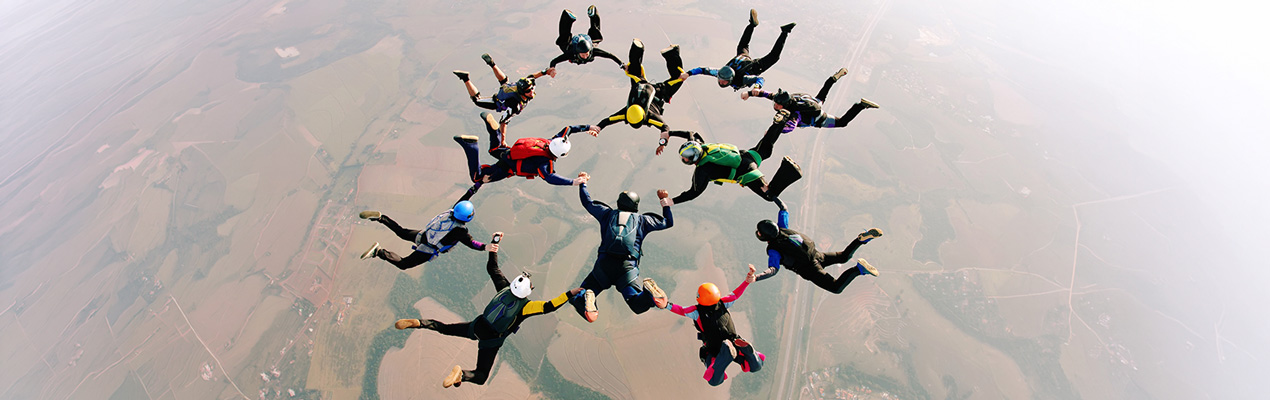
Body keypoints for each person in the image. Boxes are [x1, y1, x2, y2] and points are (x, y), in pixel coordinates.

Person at [395, 234, 588, 388]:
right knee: (480, 377)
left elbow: (492, 267)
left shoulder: (503, 287)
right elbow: (549, 307)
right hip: (491, 340)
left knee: (445, 328)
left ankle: (420, 323)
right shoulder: (527, 306)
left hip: (477, 326)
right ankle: (461, 374)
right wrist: (570, 294)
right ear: (528, 292)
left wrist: (494, 244)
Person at [568, 184, 674, 322]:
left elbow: (587, 202)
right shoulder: (643, 220)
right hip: (626, 269)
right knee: (638, 306)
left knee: (578, 298)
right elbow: (668, 222)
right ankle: (648, 294)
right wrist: (664, 200)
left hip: (604, 266)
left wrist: (583, 184)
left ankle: (588, 296)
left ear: (619, 203)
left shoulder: (606, 214)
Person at [666, 118, 803, 209]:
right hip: (746, 156)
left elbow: (693, 193)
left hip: (745, 172)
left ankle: (790, 170)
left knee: (768, 194)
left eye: (685, 157)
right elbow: (691, 133)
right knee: (766, 148)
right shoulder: (702, 146)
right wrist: (669, 133)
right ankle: (780, 122)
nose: (683, 159)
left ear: (693, 157)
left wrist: (672, 201)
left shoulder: (703, 170)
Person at [667, 265, 766, 386]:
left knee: (714, 380)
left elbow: (680, 310)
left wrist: (665, 304)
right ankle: (750, 354)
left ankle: (724, 357)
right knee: (756, 366)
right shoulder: (724, 302)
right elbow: (736, 293)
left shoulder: (696, 311)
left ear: (699, 297)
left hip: (714, 350)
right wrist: (746, 281)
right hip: (734, 342)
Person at [455, 112, 596, 195]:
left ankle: (495, 131)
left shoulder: (551, 141)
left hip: (510, 153)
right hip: (507, 168)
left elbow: (569, 128)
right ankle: (471, 146)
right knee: (477, 177)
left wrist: (589, 127)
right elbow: (550, 178)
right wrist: (573, 182)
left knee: (494, 149)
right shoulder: (546, 163)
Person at [752, 208, 883, 293]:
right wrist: (771, 194)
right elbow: (783, 208)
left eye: (759, 232)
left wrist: (756, 278)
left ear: (765, 237)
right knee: (843, 257)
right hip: (817, 255)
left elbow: (773, 270)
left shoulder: (773, 250)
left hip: (810, 270)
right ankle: (860, 240)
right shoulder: (782, 227)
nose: (758, 233)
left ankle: (858, 269)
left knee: (836, 287)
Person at [594, 39, 688, 153]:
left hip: (659, 93)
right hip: (641, 85)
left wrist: (663, 142)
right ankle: (637, 48)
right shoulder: (626, 114)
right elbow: (607, 121)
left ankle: (671, 52)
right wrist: (597, 128)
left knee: (678, 78)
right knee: (634, 70)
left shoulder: (649, 116)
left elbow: (665, 128)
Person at [357, 194, 484, 270]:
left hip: (424, 235)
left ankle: (381, 218)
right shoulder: (460, 231)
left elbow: (465, 197)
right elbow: (472, 243)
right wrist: (487, 247)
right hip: (428, 249)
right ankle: (378, 251)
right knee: (403, 264)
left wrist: (477, 185)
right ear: (468, 217)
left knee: (401, 232)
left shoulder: (452, 211)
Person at [681, 9, 794, 91]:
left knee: (774, 56)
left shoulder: (743, 79)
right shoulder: (720, 73)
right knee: (743, 44)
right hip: (741, 58)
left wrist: (756, 88)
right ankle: (752, 25)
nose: (721, 82)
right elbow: (702, 70)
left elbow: (760, 79)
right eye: (720, 80)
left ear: (730, 79)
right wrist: (688, 73)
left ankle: (785, 32)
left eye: (723, 81)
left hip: (754, 66)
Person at [741, 68, 880, 132]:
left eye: (777, 105)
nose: (775, 105)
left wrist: (775, 130)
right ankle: (833, 78)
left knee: (842, 123)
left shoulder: (793, 113)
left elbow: (790, 127)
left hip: (820, 118)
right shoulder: (786, 99)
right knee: (824, 92)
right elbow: (766, 94)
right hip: (814, 102)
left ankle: (860, 106)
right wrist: (749, 93)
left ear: (783, 104)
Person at [453, 53, 556, 125]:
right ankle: (465, 78)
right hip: (498, 101)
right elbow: (503, 121)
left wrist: (545, 72)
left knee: (504, 82)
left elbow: (533, 76)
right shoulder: (515, 104)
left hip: (510, 88)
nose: (531, 92)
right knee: (477, 100)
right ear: (522, 92)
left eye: (532, 89)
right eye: (528, 91)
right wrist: (502, 140)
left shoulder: (527, 84)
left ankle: (492, 64)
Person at [548, 6, 624, 69]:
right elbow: (554, 61)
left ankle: (569, 17)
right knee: (594, 39)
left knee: (564, 41)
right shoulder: (571, 53)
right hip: (572, 47)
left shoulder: (593, 51)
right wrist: (552, 68)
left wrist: (621, 64)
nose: (585, 56)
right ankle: (589, 16)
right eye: (583, 55)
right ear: (578, 52)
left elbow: (610, 55)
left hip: (583, 46)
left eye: (586, 54)